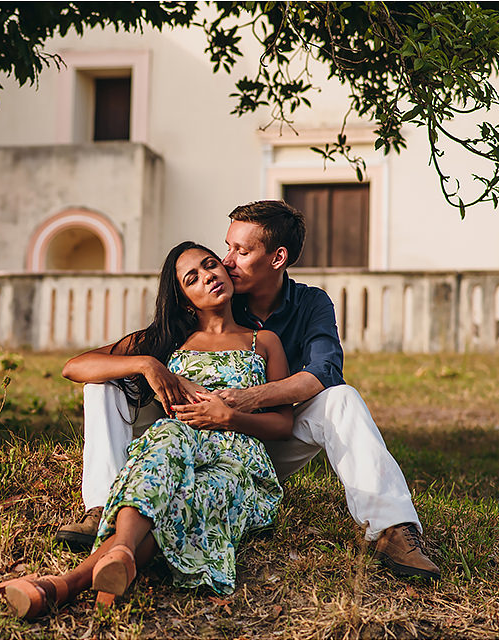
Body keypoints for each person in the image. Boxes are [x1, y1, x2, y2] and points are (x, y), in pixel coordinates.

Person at [56, 200, 440, 580]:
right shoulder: (210, 302)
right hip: (181, 428)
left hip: (258, 438)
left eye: (240, 251)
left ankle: (392, 529)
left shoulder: (306, 305)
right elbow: (79, 364)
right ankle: (101, 506)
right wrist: (148, 364)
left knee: (342, 398)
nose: (224, 262)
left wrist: (244, 402)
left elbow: (324, 373)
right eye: (225, 248)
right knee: (102, 384)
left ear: (277, 258)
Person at [0, 241, 294, 619]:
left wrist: (229, 418)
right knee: (165, 443)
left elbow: (283, 425)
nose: (209, 277)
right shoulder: (170, 341)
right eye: (193, 278)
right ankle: (112, 559)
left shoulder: (263, 342)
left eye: (210, 265)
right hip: (176, 444)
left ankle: (67, 583)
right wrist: (148, 364)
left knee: (192, 495)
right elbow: (74, 367)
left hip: (237, 459)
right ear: (186, 300)